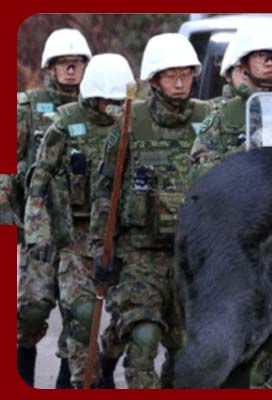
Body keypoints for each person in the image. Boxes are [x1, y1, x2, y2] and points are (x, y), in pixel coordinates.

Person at [89, 33, 210, 389]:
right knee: (143, 337)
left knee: (184, 346)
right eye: (171, 75)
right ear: (154, 80)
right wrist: (101, 247)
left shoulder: (209, 120)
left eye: (185, 75)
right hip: (140, 252)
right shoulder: (130, 121)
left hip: (192, 254)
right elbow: (105, 189)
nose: (179, 83)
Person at [23, 53, 134, 388]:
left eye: (120, 102)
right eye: (107, 102)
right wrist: (37, 234)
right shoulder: (64, 124)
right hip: (75, 236)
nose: (114, 109)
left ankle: (105, 370)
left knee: (134, 319)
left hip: (123, 236)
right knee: (81, 317)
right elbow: (38, 183)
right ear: (93, 96)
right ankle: (79, 383)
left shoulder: (135, 124)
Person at [15, 28, 92, 388]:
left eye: (76, 64)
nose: (71, 71)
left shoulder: (97, 107)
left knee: (78, 314)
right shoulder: (28, 108)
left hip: (81, 228)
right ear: (49, 67)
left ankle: (65, 385)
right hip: (40, 226)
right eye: (64, 64)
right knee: (32, 311)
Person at [190, 23, 272, 175]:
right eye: (261, 55)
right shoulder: (222, 117)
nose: (270, 63)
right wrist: (252, 145)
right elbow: (199, 176)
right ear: (244, 64)